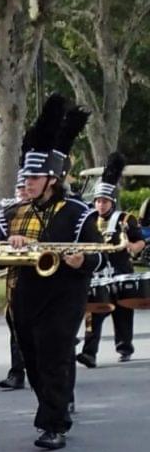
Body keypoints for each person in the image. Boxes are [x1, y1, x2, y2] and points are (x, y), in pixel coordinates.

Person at [0, 94, 103, 451]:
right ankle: (52, 404)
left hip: (65, 296)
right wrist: (10, 239)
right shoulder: (13, 212)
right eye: (26, 177)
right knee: (33, 358)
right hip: (26, 295)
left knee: (53, 355)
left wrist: (83, 261)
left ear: (52, 178)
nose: (29, 183)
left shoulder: (78, 212)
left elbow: (97, 253)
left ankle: (53, 424)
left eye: (35, 177)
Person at [77, 152, 146, 367]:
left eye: (104, 201)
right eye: (97, 201)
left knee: (123, 312)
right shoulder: (88, 221)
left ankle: (124, 346)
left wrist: (131, 246)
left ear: (112, 201)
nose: (100, 205)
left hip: (121, 271)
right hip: (98, 275)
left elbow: (140, 242)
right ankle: (89, 353)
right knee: (93, 314)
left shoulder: (125, 219)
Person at [0, 174, 28, 391]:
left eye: (27, 187)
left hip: (50, 284)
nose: (24, 192)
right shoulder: (11, 214)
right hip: (17, 280)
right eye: (21, 188)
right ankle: (17, 372)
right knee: (16, 324)